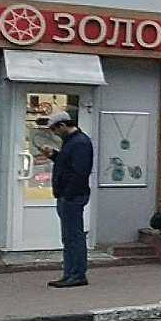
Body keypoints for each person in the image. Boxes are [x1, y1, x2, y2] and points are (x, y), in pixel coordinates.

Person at [41, 111, 93, 288]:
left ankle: (77, 274)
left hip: (72, 197)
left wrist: (67, 194)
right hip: (68, 196)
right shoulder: (71, 142)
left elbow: (80, 172)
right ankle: (70, 273)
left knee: (73, 237)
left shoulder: (80, 143)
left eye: (55, 130)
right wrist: (54, 155)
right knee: (69, 237)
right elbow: (68, 165)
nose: (54, 133)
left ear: (63, 125)